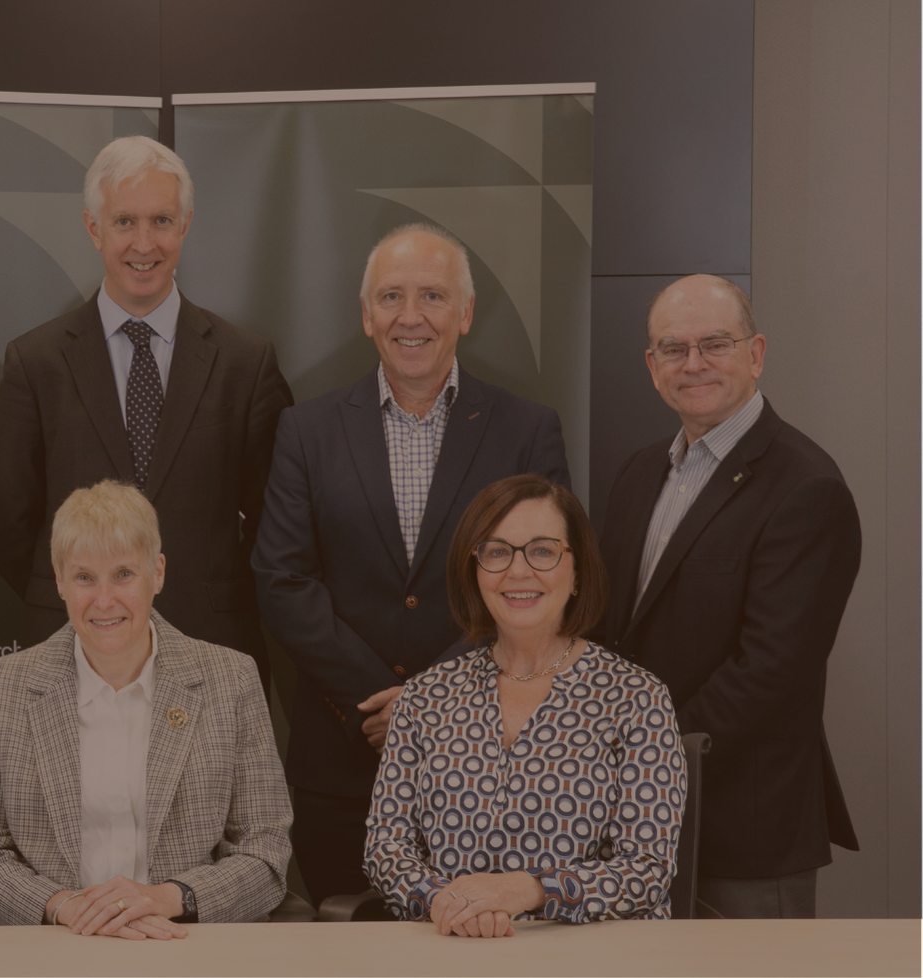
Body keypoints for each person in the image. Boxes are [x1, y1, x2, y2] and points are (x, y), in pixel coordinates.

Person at [252, 223, 571, 907]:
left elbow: (539, 582)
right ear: (366, 315)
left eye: (432, 295)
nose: (410, 316)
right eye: (391, 296)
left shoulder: (526, 429)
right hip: (340, 759)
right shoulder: (306, 431)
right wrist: (374, 701)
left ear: (464, 312)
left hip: (490, 763)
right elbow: (283, 579)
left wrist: (428, 707)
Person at [0, 135, 292, 693]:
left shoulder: (246, 363)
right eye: (124, 221)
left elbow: (277, 524)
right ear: (93, 228)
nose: (143, 243)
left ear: (186, 225)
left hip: (212, 646)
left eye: (161, 221)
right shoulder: (35, 363)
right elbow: (12, 528)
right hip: (71, 648)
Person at [595, 275, 861, 918]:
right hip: (628, 835)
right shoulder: (638, 474)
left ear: (756, 353)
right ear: (651, 366)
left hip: (743, 829)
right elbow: (607, 631)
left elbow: (773, 670)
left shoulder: (806, 486)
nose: (694, 364)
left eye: (714, 343)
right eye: (673, 348)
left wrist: (642, 759)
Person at [0, 480, 292, 933]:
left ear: (159, 572)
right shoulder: (1, 688)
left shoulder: (230, 680)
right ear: (58, 581)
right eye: (84, 577)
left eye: (124, 574)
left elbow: (265, 854)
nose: (104, 600)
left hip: (185, 941)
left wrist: (165, 899)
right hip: (55, 946)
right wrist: (68, 908)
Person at [367, 474, 686, 935]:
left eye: (542, 550)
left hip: (596, 957)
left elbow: (647, 868)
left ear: (577, 572)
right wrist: (451, 904)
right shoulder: (424, 696)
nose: (518, 571)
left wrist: (529, 891)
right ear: (473, 571)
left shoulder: (637, 697)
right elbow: (386, 848)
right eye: (497, 552)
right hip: (452, 947)